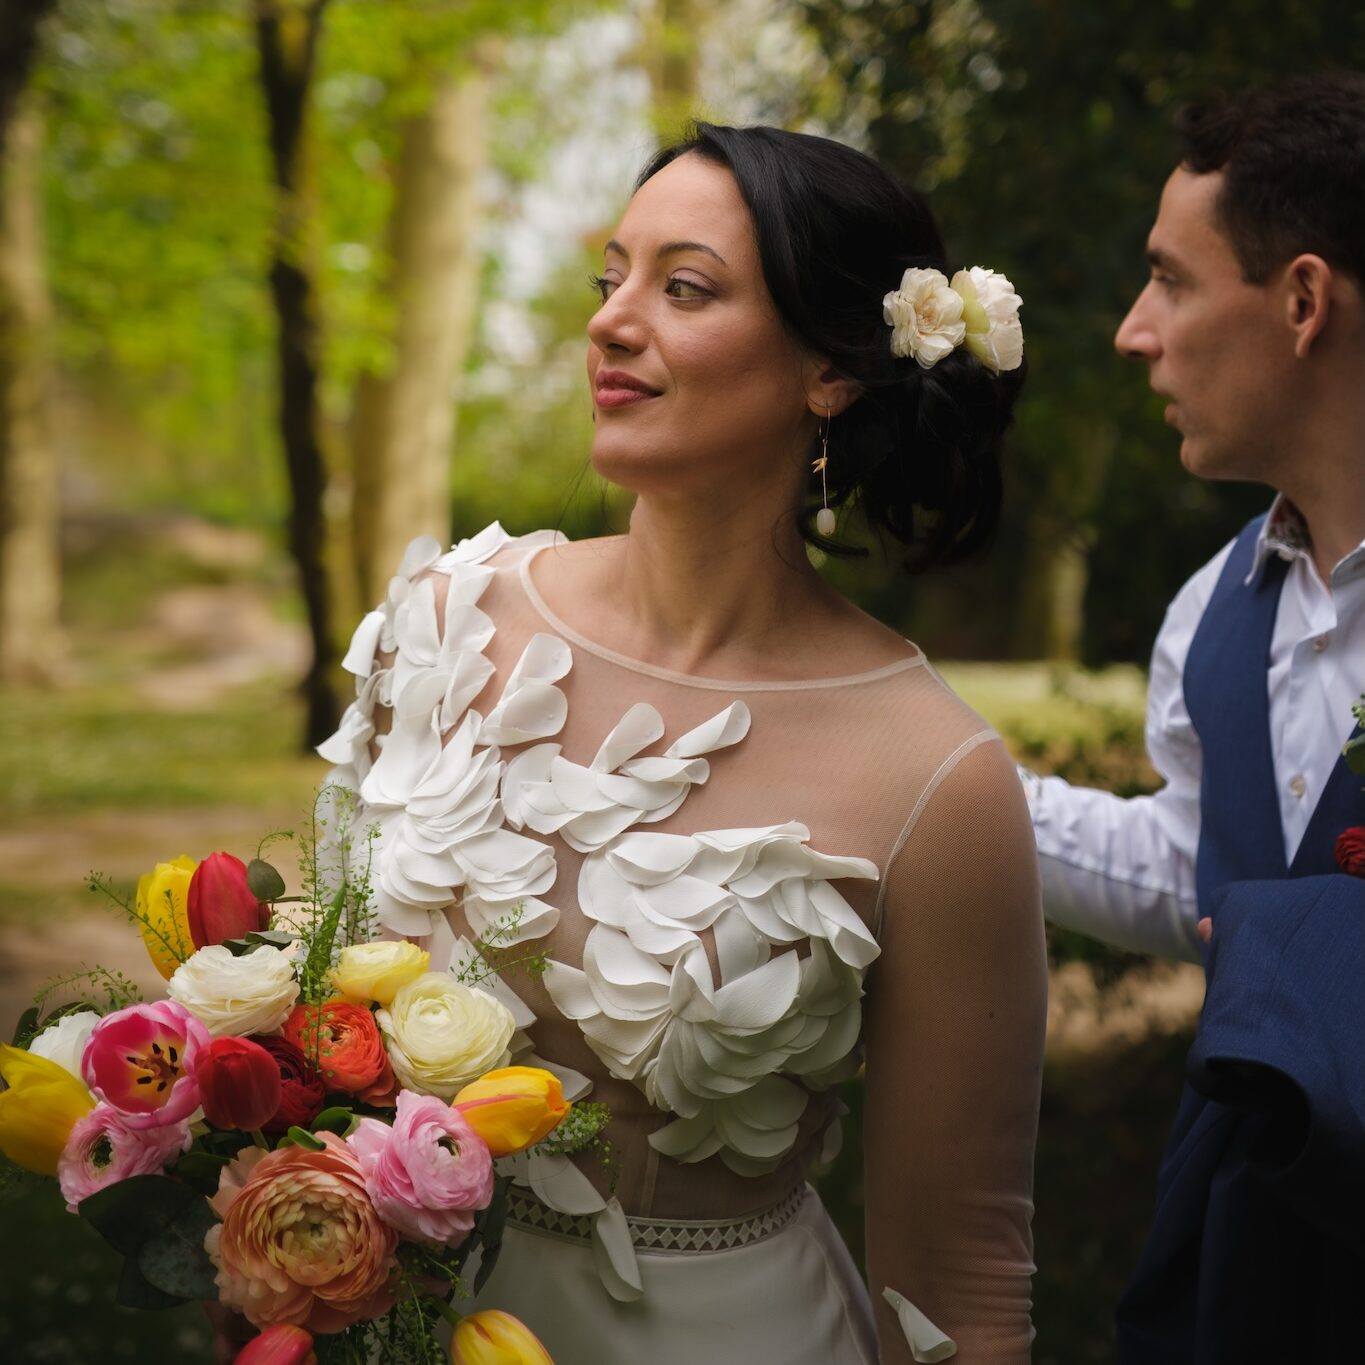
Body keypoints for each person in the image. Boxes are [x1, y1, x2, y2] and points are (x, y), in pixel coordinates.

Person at [319, 123, 1046, 1362]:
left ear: (829, 370)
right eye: (612, 279)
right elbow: (309, 994)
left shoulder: (938, 778)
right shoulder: (443, 619)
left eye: (685, 287)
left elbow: (963, 1271)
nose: (611, 321)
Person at [1019, 74, 1365, 1359]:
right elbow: (1207, 874)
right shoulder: (1208, 609)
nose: (1131, 331)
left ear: (1303, 302)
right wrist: (927, 774)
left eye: (1169, 280)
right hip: (1247, 1263)